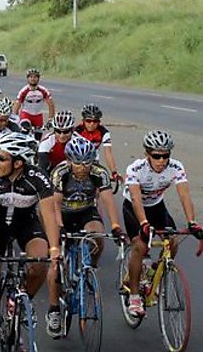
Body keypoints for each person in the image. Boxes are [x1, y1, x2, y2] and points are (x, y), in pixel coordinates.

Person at [0, 132, 60, 352]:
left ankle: (22, 302)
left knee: (41, 262)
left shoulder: (38, 178)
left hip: (26, 223)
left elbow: (49, 215)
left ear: (18, 163)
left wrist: (54, 249)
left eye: (1, 158)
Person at [48, 137, 125, 337]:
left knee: (97, 235)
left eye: (87, 162)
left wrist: (116, 227)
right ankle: (54, 310)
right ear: (68, 160)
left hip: (85, 211)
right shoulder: (60, 173)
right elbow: (54, 205)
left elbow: (108, 201)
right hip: (63, 214)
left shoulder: (99, 173)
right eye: (78, 162)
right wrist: (60, 228)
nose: (82, 167)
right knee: (55, 264)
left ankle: (91, 267)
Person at [122, 130, 203, 318]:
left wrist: (192, 222)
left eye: (165, 155)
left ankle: (153, 271)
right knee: (141, 246)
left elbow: (184, 195)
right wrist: (143, 223)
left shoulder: (175, 167)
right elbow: (135, 198)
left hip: (157, 207)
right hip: (134, 208)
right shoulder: (135, 169)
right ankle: (134, 296)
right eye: (156, 156)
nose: (161, 160)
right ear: (147, 154)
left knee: (172, 242)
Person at [74, 104, 122, 183]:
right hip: (77, 161)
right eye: (88, 121)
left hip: (93, 161)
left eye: (95, 121)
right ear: (83, 121)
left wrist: (114, 172)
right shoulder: (77, 131)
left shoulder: (104, 132)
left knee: (97, 186)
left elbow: (108, 153)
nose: (92, 124)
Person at [13, 69, 55, 135]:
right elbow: (17, 106)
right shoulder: (24, 91)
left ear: (38, 79)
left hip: (38, 116)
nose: (33, 79)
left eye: (35, 77)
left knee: (38, 137)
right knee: (24, 131)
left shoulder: (43, 90)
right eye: (31, 77)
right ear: (27, 78)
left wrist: (50, 119)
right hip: (26, 115)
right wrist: (15, 119)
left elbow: (51, 105)